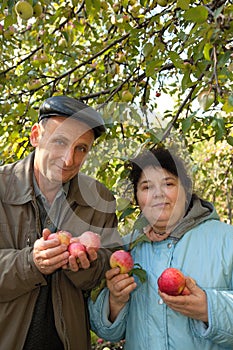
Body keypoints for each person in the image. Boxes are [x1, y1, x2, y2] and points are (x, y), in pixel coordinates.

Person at [0, 95, 122, 350]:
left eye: (81, 149)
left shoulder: (100, 199)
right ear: (36, 136)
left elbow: (109, 271)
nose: (68, 160)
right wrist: (30, 263)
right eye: (60, 142)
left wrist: (87, 264)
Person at [89, 146, 233, 350]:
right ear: (137, 198)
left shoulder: (226, 240)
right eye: (147, 187)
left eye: (168, 183)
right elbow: (104, 331)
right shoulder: (127, 249)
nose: (158, 194)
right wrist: (115, 301)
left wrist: (208, 308)